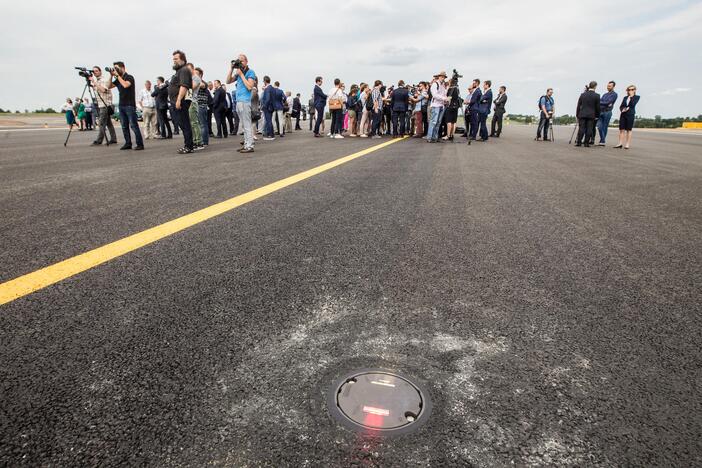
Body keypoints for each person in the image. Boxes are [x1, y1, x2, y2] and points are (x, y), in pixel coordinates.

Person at [109, 61, 144, 150]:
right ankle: (128, 143)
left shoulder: (129, 77)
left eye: (117, 68)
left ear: (123, 67)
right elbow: (109, 86)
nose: (116, 70)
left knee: (133, 125)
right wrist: (111, 75)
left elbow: (125, 85)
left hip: (129, 105)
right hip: (121, 105)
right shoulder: (118, 78)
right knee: (124, 126)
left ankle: (140, 144)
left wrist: (117, 76)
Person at [226, 53, 257, 153]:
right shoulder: (239, 72)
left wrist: (241, 75)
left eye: (242, 60)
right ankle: (246, 144)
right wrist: (231, 69)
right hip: (239, 101)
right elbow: (227, 81)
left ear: (246, 61)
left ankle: (250, 146)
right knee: (244, 126)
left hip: (245, 101)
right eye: (238, 60)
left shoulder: (250, 72)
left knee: (247, 125)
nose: (240, 62)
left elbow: (249, 86)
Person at [168, 50, 194, 154]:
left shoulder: (184, 70)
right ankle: (188, 145)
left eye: (176, 59)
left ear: (182, 59)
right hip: (176, 102)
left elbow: (184, 86)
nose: (174, 61)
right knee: (182, 124)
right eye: (173, 59)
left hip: (181, 102)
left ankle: (188, 146)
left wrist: (178, 100)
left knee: (184, 124)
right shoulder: (179, 71)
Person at [89, 66, 118, 146]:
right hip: (102, 104)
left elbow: (103, 90)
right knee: (109, 123)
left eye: (96, 71)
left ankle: (99, 140)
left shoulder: (103, 80)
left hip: (105, 105)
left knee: (101, 123)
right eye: (94, 71)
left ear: (100, 71)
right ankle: (113, 139)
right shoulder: (97, 80)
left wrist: (94, 82)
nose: (95, 72)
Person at [184, 63, 204, 150]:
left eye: (188, 69)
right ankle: (195, 141)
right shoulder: (191, 78)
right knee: (192, 124)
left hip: (193, 102)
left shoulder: (196, 77)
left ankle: (199, 142)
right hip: (189, 102)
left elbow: (192, 87)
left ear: (192, 69)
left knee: (194, 123)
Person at [575, 81, 601, 147]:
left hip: (582, 114)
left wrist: (577, 115)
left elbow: (578, 106)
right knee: (589, 128)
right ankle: (586, 143)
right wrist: (597, 115)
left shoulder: (583, 95)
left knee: (581, 128)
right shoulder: (597, 96)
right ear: (595, 86)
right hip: (591, 114)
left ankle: (579, 142)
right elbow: (598, 107)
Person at [614, 85, 640, 149]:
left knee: (629, 129)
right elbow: (621, 105)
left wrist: (631, 96)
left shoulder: (636, 97)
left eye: (632, 89)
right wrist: (622, 109)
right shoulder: (625, 97)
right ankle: (620, 143)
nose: (630, 91)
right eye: (628, 90)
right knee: (621, 129)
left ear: (634, 90)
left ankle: (627, 144)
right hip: (623, 114)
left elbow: (633, 104)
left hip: (630, 114)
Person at [426, 72, 449, 143]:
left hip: (441, 105)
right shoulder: (435, 84)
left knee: (438, 122)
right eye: (442, 77)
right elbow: (435, 95)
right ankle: (430, 137)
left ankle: (434, 137)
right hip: (435, 105)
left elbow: (444, 94)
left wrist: (446, 99)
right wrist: (444, 98)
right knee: (433, 121)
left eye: (444, 77)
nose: (443, 78)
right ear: (439, 77)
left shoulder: (442, 85)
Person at [596, 81, 618, 146]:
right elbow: (603, 102)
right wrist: (603, 103)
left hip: (607, 112)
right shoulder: (604, 94)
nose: (608, 87)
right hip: (600, 112)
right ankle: (603, 140)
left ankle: (602, 141)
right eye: (607, 86)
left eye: (609, 86)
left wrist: (601, 102)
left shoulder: (614, 94)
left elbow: (608, 102)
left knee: (604, 127)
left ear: (613, 87)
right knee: (599, 126)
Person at [260, 76, 275, 140]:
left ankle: (270, 135)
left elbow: (267, 99)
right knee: (269, 121)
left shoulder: (267, 89)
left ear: (265, 81)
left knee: (268, 121)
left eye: (263, 81)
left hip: (267, 107)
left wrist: (264, 106)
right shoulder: (272, 88)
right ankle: (271, 134)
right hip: (271, 107)